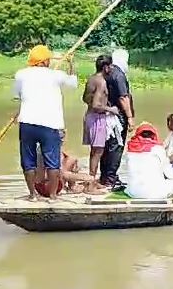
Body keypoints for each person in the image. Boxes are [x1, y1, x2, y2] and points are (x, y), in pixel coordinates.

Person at [12, 45, 77, 201]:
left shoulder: (21, 74)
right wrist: (71, 64)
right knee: (52, 162)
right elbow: (73, 84)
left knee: (28, 161)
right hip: (50, 124)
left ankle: (32, 195)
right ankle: (53, 196)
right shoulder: (56, 75)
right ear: (45, 61)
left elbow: (17, 95)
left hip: (27, 123)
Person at [82, 55, 119, 187]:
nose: (112, 68)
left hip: (89, 117)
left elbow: (85, 99)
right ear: (105, 67)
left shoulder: (91, 79)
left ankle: (91, 180)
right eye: (110, 66)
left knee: (94, 151)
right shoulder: (102, 82)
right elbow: (97, 105)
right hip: (97, 118)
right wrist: (111, 109)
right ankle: (91, 184)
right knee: (98, 152)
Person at [101, 49, 134, 188]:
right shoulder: (119, 75)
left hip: (106, 115)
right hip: (118, 117)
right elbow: (123, 97)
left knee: (107, 146)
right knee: (116, 146)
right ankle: (111, 178)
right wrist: (130, 117)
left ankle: (105, 176)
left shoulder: (107, 73)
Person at [124, 123, 173, 199]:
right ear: (153, 135)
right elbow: (169, 172)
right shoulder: (158, 149)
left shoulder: (130, 150)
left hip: (134, 192)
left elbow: (125, 173)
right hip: (155, 192)